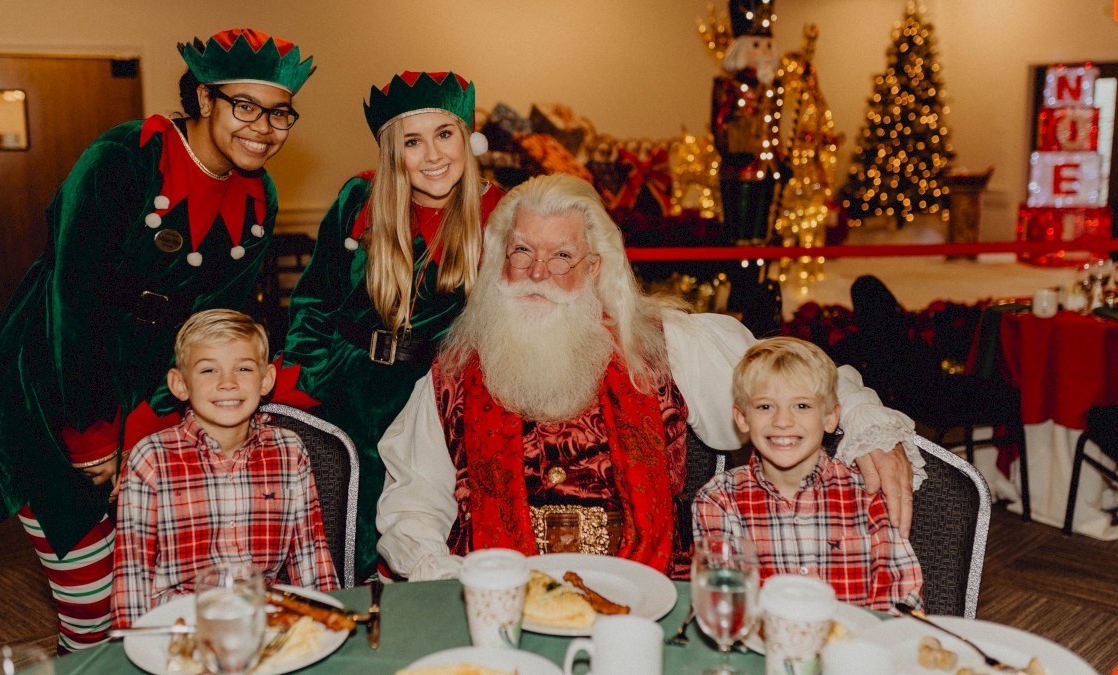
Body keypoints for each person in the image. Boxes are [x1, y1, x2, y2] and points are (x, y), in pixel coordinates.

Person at [375, 173, 923, 582]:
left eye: (562, 255)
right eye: (523, 251)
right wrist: (445, 579)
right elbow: (412, 505)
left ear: (594, 269)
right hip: (500, 596)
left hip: (648, 596)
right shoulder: (453, 370)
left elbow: (784, 374)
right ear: (500, 261)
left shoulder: (665, 344)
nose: (538, 273)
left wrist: (863, 417)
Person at [0, 28, 314, 651]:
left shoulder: (258, 194)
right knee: (89, 601)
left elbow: (220, 323)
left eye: (279, 111)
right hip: (57, 388)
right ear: (205, 99)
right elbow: (74, 301)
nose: (264, 127)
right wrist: (94, 430)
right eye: (245, 106)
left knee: (150, 594)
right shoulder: (124, 158)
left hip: (156, 389)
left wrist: (208, 402)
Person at [275, 71, 503, 581]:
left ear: (468, 138)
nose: (433, 155)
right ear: (392, 152)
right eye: (412, 142)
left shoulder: (499, 211)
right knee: (343, 530)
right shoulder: (360, 198)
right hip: (350, 388)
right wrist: (308, 377)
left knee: (423, 527)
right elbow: (315, 299)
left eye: (445, 134)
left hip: (433, 398)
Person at [111, 309, 338, 628]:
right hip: (176, 626)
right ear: (179, 384)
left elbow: (310, 557)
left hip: (262, 620)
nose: (227, 383)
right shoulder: (151, 459)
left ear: (266, 379)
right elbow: (132, 578)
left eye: (243, 368)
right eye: (208, 370)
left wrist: (327, 627)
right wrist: (132, 646)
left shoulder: (289, 451)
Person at [693, 337, 923, 611]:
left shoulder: (868, 492)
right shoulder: (718, 500)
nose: (782, 421)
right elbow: (725, 598)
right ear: (743, 418)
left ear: (829, 417)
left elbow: (900, 590)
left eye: (801, 406)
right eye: (765, 406)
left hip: (854, 646)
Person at [711, 0, 786, 245]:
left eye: (767, 45)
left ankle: (757, 276)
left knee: (760, 234)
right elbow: (719, 124)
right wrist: (732, 152)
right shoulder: (728, 85)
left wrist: (781, 159)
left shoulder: (774, 87)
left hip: (767, 171)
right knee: (739, 233)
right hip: (739, 171)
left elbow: (774, 126)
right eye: (756, 45)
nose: (763, 51)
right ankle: (740, 278)